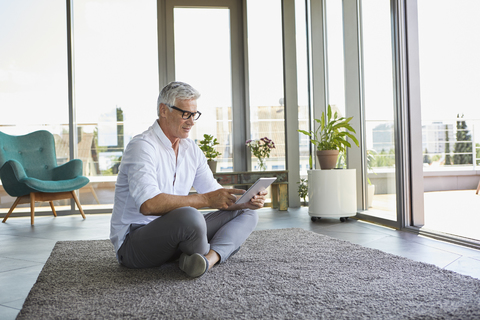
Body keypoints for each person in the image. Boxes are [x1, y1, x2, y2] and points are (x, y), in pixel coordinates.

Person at [110, 81, 267, 278]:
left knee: (247, 213)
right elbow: (149, 205)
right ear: (163, 110)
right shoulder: (142, 147)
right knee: (190, 216)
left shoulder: (190, 149)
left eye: (194, 115)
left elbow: (215, 193)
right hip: (134, 244)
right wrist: (206, 200)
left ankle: (205, 261)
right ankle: (200, 253)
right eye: (186, 114)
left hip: (177, 238)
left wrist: (247, 199)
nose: (191, 121)